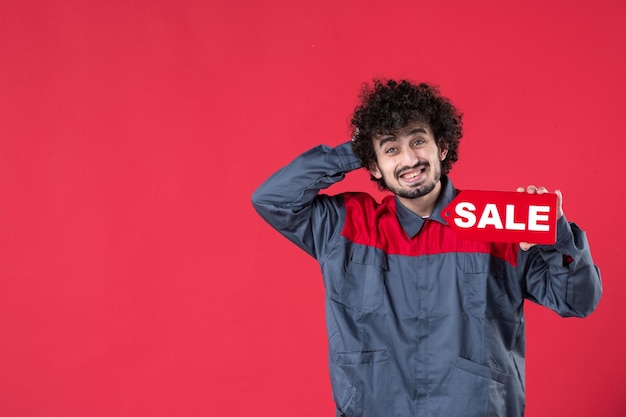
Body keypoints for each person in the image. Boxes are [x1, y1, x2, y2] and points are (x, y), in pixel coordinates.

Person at [251, 79, 602, 417]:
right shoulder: (344, 226)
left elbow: (579, 299)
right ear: (373, 165)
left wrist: (555, 235)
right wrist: (355, 151)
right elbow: (272, 199)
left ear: (442, 147)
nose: (409, 160)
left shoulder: (500, 223)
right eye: (391, 149)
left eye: (418, 142)